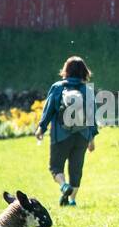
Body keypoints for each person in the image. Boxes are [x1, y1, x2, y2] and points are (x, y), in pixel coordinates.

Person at [35, 56, 98, 206]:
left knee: (55, 166)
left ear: (66, 70)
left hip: (60, 135)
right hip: (82, 136)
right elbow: (92, 117)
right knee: (76, 170)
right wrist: (92, 139)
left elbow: (49, 110)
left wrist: (41, 128)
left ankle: (64, 186)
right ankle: (72, 200)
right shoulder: (87, 91)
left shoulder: (58, 87)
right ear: (84, 72)